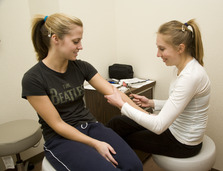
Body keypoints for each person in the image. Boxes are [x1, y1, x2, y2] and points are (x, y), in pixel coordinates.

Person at [21, 13, 143, 171]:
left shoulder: (81, 67)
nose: (81, 46)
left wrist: (147, 117)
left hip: (91, 127)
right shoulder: (33, 78)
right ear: (56, 39)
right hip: (60, 139)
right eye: (76, 41)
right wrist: (95, 144)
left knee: (135, 166)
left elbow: (115, 93)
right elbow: (58, 124)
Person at [105, 19, 211, 158]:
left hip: (183, 143)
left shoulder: (190, 76)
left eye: (162, 49)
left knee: (123, 138)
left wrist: (122, 104)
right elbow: (179, 104)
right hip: (172, 128)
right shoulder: (181, 69)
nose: (158, 54)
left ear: (180, 48)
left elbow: (159, 126)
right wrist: (151, 103)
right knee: (117, 123)